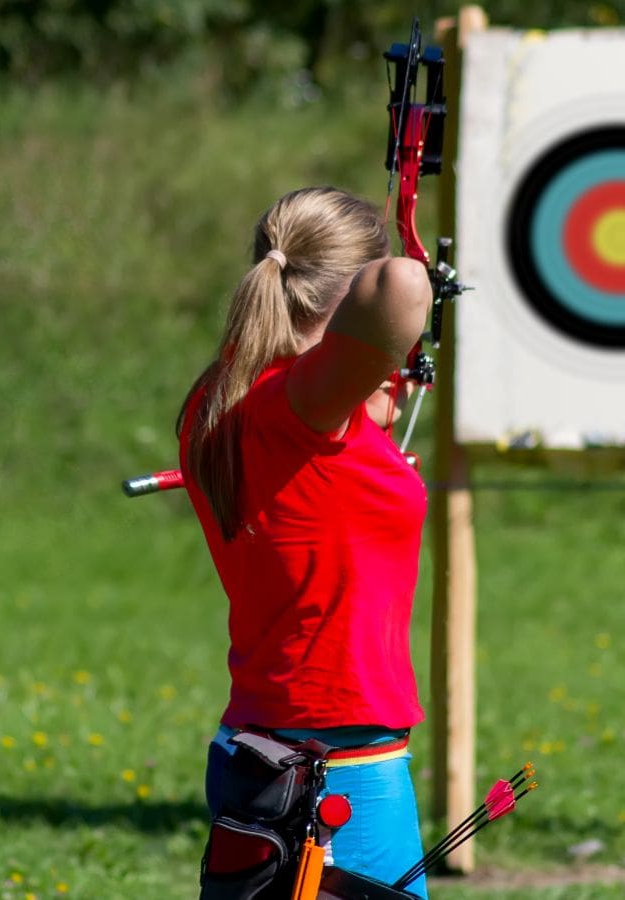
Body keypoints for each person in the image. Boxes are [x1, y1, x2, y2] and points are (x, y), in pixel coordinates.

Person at [178, 187, 434, 895]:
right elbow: (403, 285)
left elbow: (313, 498)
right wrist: (401, 301)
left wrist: (364, 387)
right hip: (338, 768)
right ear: (346, 292)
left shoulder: (222, 394)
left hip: (257, 751)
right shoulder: (301, 408)